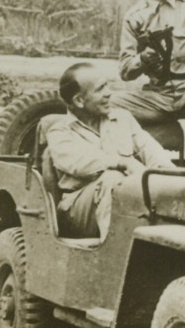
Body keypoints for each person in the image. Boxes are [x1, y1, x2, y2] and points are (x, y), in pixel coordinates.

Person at [47, 62, 174, 240]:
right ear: (79, 101)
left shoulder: (122, 119)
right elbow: (80, 163)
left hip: (124, 199)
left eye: (107, 85)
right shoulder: (59, 132)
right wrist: (123, 162)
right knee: (113, 179)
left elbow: (150, 150)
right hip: (78, 212)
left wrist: (173, 176)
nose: (109, 93)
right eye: (100, 89)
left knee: (165, 184)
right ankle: (114, 256)